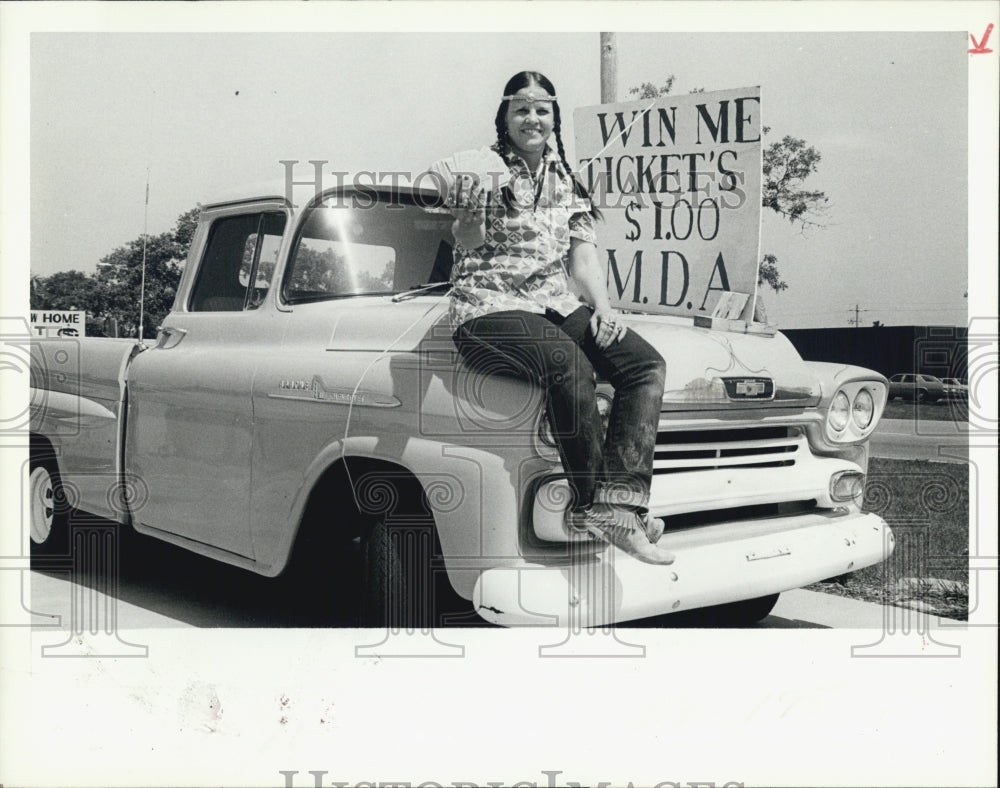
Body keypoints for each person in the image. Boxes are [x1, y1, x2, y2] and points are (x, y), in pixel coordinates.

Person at [432, 71, 673, 565]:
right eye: (520, 108)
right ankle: (592, 507)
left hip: (552, 305)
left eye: (542, 108)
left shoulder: (568, 180)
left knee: (644, 365)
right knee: (568, 361)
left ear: (554, 118)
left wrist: (604, 308)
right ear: (504, 117)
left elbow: (582, 259)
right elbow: (469, 241)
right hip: (487, 309)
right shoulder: (482, 169)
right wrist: (470, 217)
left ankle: (621, 504)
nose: (532, 118)